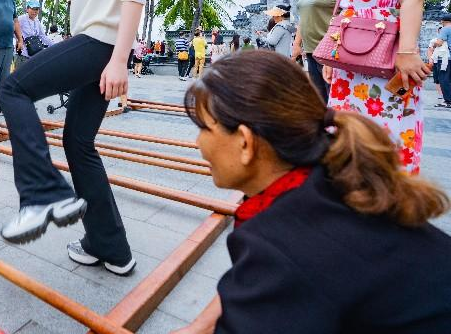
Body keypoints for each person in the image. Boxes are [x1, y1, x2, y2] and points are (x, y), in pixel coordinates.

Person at [173, 50, 451, 334]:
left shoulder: (280, 244)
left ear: (245, 142)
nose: (198, 143)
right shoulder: (336, 173)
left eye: (204, 129)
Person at [0, 0, 149, 276]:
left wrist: (120, 59)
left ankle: (43, 189)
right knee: (78, 143)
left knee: (13, 87)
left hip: (100, 46)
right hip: (99, 40)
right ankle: (112, 247)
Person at [324, 0, 435, 174]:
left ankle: (388, 199)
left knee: (386, 123)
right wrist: (332, 57)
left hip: (386, 59)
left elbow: (413, 0)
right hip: (350, 63)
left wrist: (407, 51)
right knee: (348, 129)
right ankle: (353, 190)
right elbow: (344, 14)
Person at [292, 0, 344, 102]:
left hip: (331, 51)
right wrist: (297, 44)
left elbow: (348, 14)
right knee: (319, 98)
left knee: (334, 97)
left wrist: (332, 49)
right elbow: (304, 15)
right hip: (311, 51)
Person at [16, 0, 52, 66]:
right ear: (27, 9)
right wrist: (19, 40)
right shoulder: (21, 19)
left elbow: (43, 36)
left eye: (37, 9)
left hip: (35, 54)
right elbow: (13, 31)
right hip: (23, 54)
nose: (34, 11)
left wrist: (54, 45)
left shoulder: (37, 21)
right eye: (32, 9)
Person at [430, 18, 451, 103]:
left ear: (443, 21)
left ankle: (448, 100)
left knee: (444, 78)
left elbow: (439, 42)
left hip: (446, 57)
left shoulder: (445, 29)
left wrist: (434, 44)